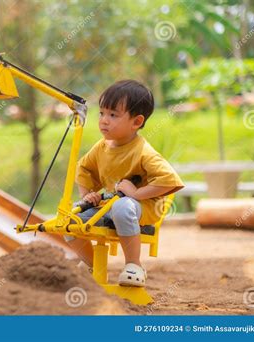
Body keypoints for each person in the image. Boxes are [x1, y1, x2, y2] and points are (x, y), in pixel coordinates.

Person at [65, 79, 184, 287]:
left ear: (136, 122)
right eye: (102, 113)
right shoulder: (101, 147)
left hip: (141, 207)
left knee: (122, 207)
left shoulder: (143, 151)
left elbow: (169, 180)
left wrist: (136, 194)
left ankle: (134, 265)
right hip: (108, 206)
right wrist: (88, 195)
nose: (104, 120)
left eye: (113, 115)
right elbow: (83, 168)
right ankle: (92, 265)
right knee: (69, 220)